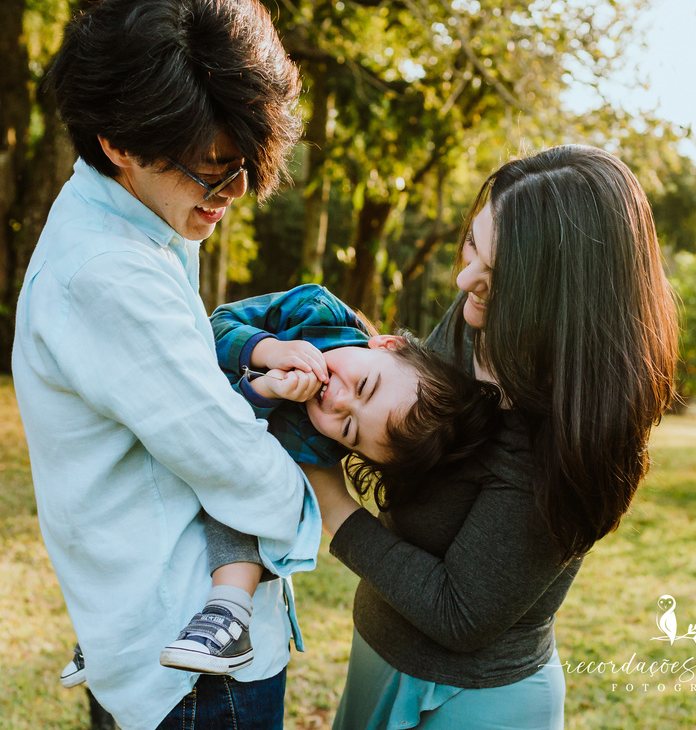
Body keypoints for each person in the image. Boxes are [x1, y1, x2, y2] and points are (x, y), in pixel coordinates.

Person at [12, 0, 317, 730]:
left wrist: (247, 357)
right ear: (117, 141)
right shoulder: (109, 271)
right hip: (187, 671)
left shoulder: (138, 217)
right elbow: (232, 462)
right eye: (208, 171)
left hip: (151, 647)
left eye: (242, 167)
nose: (231, 195)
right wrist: (335, 504)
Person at [302, 145, 681, 730]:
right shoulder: (479, 311)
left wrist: (332, 500)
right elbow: (401, 428)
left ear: (560, 298)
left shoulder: (572, 436)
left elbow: (462, 614)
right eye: (474, 243)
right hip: (378, 650)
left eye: (496, 275)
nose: (464, 278)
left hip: (475, 701)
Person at [63, 283, 500, 679]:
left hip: (229, 475)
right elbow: (210, 329)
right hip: (176, 433)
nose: (338, 401)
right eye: (364, 384)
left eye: (348, 429)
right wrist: (268, 351)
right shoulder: (314, 313)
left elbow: (236, 451)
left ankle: (229, 612)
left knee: (266, 499)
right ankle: (109, 634)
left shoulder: (320, 450)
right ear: (387, 345)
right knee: (141, 518)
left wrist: (265, 397)